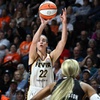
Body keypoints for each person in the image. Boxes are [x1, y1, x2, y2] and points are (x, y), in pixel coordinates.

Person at [27, 8, 67, 100]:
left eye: (43, 41)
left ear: (47, 44)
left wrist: (64, 23)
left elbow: (62, 42)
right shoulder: (33, 57)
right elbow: (33, 42)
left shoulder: (51, 57)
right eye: (39, 41)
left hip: (48, 92)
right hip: (34, 91)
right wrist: (42, 25)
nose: (41, 42)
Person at [32, 59, 100, 100]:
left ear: (63, 71)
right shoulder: (84, 86)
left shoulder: (53, 85)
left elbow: (34, 99)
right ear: (77, 71)